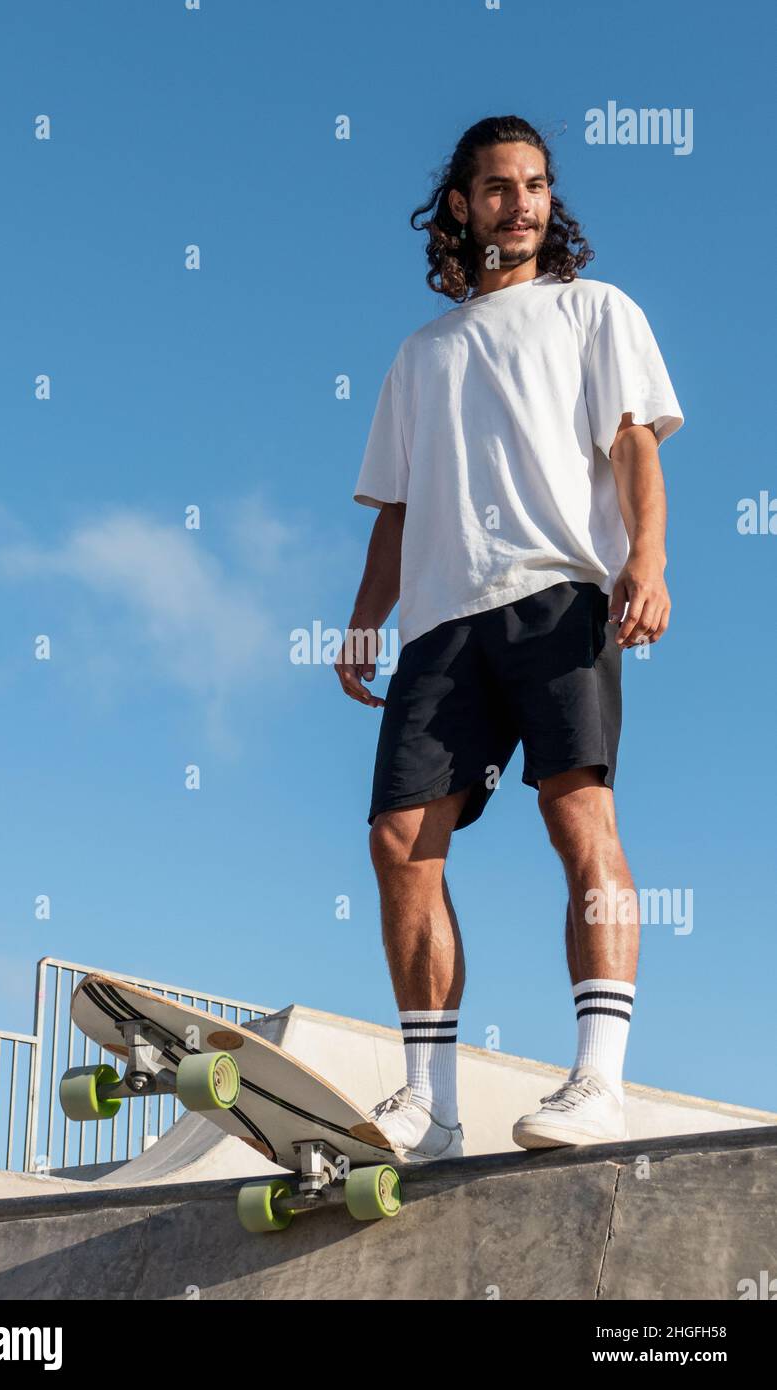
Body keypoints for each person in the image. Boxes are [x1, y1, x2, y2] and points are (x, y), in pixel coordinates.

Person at [335, 114, 684, 1162]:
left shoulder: (592, 310)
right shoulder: (418, 354)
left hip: (555, 596)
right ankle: (429, 1102)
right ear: (459, 205)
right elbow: (394, 508)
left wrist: (647, 562)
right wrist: (363, 618)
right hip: (440, 623)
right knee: (398, 841)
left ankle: (596, 1081)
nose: (519, 204)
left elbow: (630, 445)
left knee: (574, 812)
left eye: (534, 185)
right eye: (496, 188)